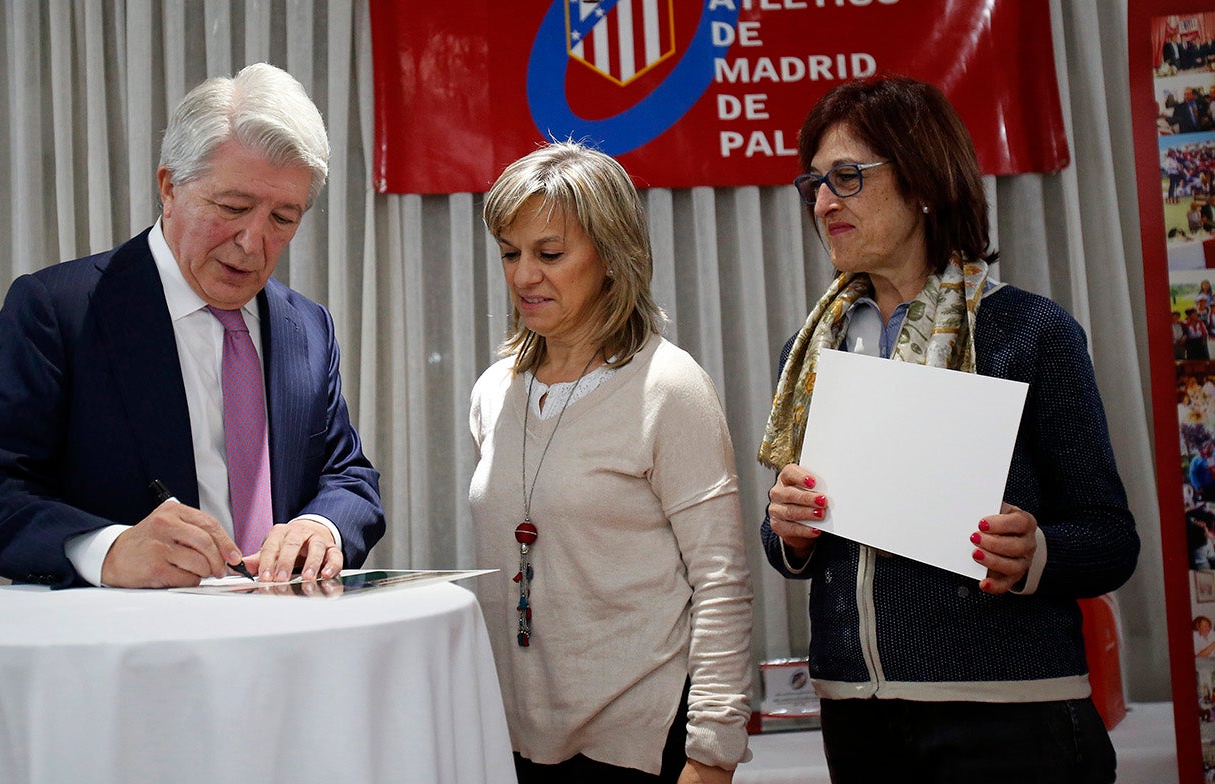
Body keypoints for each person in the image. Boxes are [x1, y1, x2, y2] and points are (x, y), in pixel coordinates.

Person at [759, 75, 1139, 783]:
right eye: (813, 181)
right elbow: (796, 544)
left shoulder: (1029, 332)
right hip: (858, 713)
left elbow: (1111, 538)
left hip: (1011, 715)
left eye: (846, 176)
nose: (821, 201)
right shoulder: (812, 353)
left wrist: (1037, 552)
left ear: (925, 180)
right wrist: (786, 531)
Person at [0, 63, 384, 589]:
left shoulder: (307, 326)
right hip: (122, 649)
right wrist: (106, 548)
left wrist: (321, 525)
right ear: (169, 186)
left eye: (282, 219)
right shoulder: (57, 310)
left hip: (284, 642)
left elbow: (348, 475)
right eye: (233, 206)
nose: (253, 242)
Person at [468, 142, 753, 783]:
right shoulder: (493, 392)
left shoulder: (668, 387)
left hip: (640, 739)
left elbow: (721, 582)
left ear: (611, 256)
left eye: (549, 253)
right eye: (511, 253)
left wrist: (713, 752)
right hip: (518, 738)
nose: (522, 276)